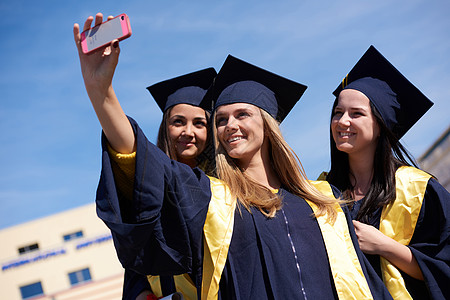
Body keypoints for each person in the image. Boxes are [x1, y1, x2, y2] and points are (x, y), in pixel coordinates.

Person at [74, 14, 392, 299]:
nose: (230, 125)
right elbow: (148, 164)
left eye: (242, 114)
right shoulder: (213, 201)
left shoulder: (326, 200)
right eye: (221, 120)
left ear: (267, 125)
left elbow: (367, 285)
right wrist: (102, 94)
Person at [325, 45, 450, 299]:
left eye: (356, 113)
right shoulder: (324, 191)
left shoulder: (419, 190)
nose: (342, 121)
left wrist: (384, 246)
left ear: (380, 125)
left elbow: (444, 270)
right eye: (338, 113)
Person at [122, 68, 217, 299]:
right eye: (178, 122)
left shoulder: (221, 185)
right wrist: (142, 294)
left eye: (199, 123)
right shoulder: (149, 186)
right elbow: (136, 263)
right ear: (166, 127)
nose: (188, 132)